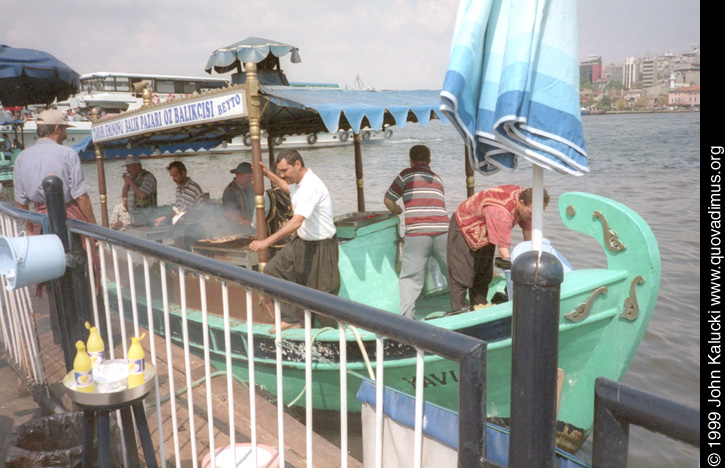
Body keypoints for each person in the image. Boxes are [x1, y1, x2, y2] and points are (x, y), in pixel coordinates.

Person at [249, 149, 340, 327]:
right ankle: (291, 318)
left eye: (285, 171)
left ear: (297, 164)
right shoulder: (297, 182)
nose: (282, 175)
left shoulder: (311, 185)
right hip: (301, 241)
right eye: (280, 171)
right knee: (273, 270)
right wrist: (267, 173)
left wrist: (265, 242)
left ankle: (332, 340)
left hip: (322, 246)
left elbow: (296, 222)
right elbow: (288, 189)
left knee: (323, 299)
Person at [447, 185, 549, 311]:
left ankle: (480, 308)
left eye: (537, 215)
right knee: (461, 276)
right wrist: (515, 281)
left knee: (483, 275)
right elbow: (503, 252)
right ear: (521, 203)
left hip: (488, 230)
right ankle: (458, 311)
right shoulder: (501, 213)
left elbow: (529, 240)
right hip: (464, 226)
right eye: (531, 214)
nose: (533, 217)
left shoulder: (529, 202)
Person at [384, 145, 449, 318]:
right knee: (452, 271)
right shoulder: (438, 179)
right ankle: (461, 306)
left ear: (411, 160)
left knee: (410, 278)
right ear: (429, 161)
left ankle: (407, 319)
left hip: (417, 232)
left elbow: (388, 199)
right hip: (443, 230)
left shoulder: (406, 175)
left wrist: (397, 210)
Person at [14, 109, 97, 227]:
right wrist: (94, 226)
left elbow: (20, 201)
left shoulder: (21, 157)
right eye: (65, 129)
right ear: (57, 129)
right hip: (67, 216)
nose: (66, 134)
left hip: (40, 221)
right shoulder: (68, 153)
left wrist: (31, 231)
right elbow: (81, 196)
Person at [154, 161, 205, 249]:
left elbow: (203, 210)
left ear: (183, 173)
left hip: (191, 230)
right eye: (172, 176)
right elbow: (177, 209)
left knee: (190, 258)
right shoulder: (178, 188)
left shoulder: (194, 188)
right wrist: (164, 217)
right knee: (180, 256)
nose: (173, 179)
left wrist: (190, 212)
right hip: (179, 228)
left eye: (175, 175)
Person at [120, 156, 157, 225]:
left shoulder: (148, 177)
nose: (127, 170)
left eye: (129, 167)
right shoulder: (133, 178)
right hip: (134, 215)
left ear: (137, 166)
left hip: (146, 216)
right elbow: (124, 195)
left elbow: (143, 195)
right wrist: (126, 182)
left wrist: (131, 182)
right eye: (127, 167)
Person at [222, 162, 254, 226]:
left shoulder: (252, 187)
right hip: (237, 227)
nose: (251, 179)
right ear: (238, 175)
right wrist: (242, 219)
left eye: (252, 177)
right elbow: (228, 212)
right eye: (248, 177)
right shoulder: (230, 191)